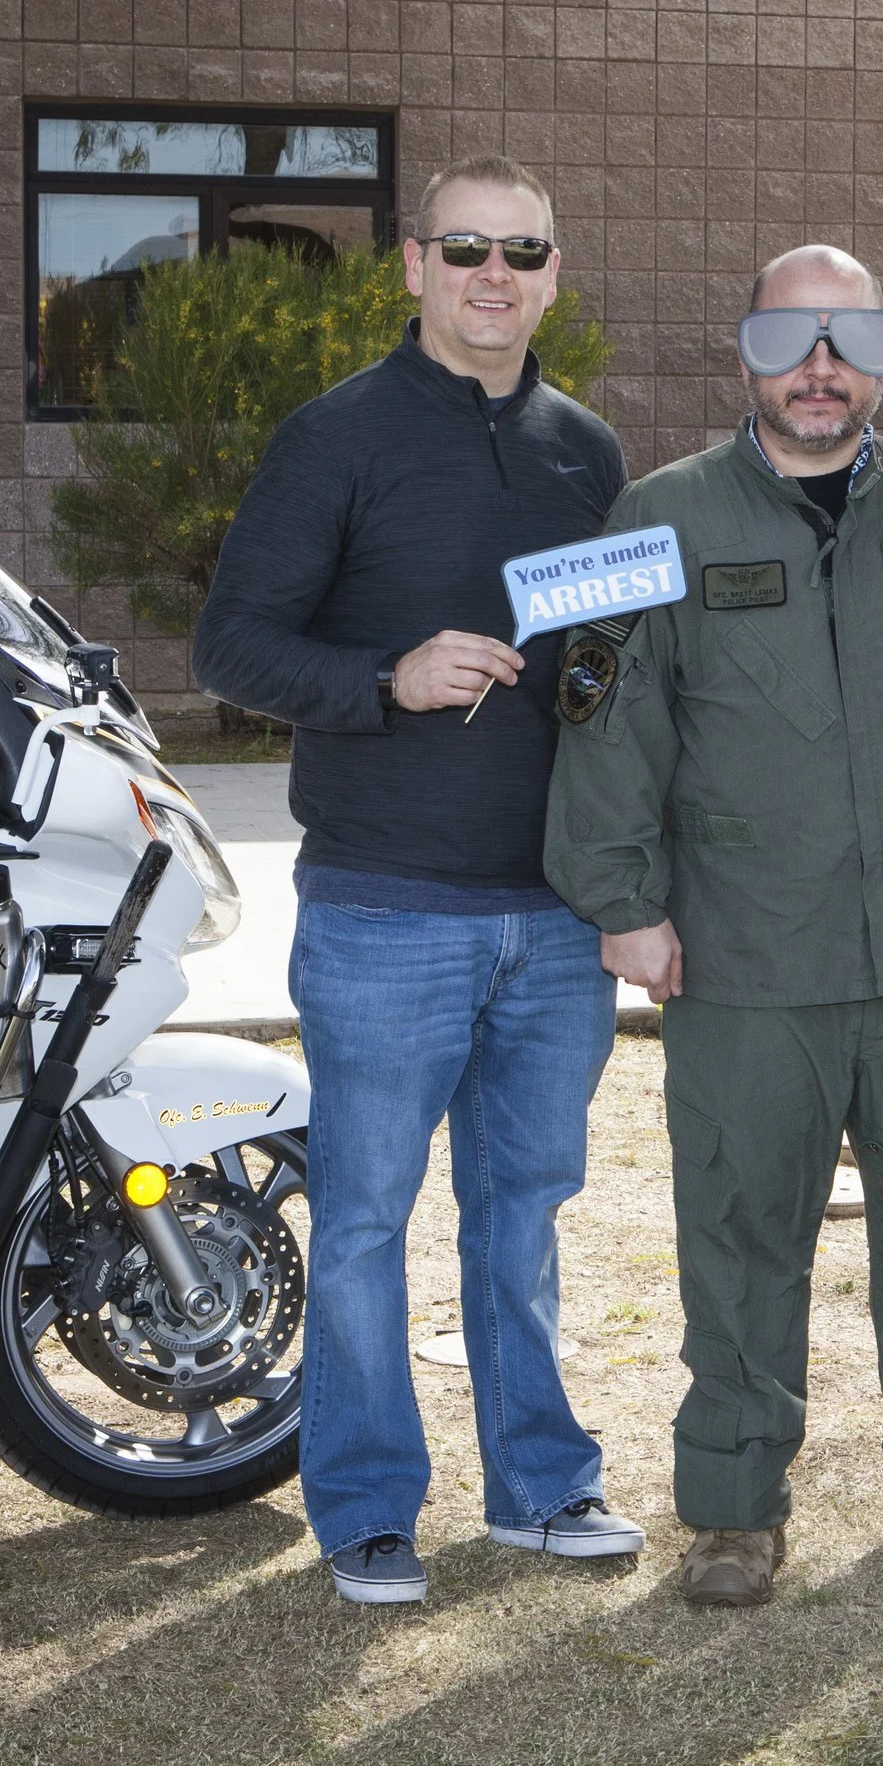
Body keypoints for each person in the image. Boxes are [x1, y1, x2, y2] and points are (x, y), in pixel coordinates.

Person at [543, 244, 883, 1609]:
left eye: (848, 340)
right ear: (748, 355)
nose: (820, 367)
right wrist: (623, 906)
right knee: (737, 1233)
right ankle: (734, 1506)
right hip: (742, 953)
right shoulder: (651, 515)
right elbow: (607, 722)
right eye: (793, 339)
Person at [193, 154, 642, 1605]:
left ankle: (541, 1488)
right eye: (466, 251)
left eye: (522, 252)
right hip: (385, 910)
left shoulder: (588, 450)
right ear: (412, 265)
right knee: (369, 1225)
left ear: (556, 274)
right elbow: (231, 648)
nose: (494, 277)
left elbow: (620, 675)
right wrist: (385, 678)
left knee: (522, 1220)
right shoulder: (335, 439)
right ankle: (369, 1512)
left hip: (556, 917)